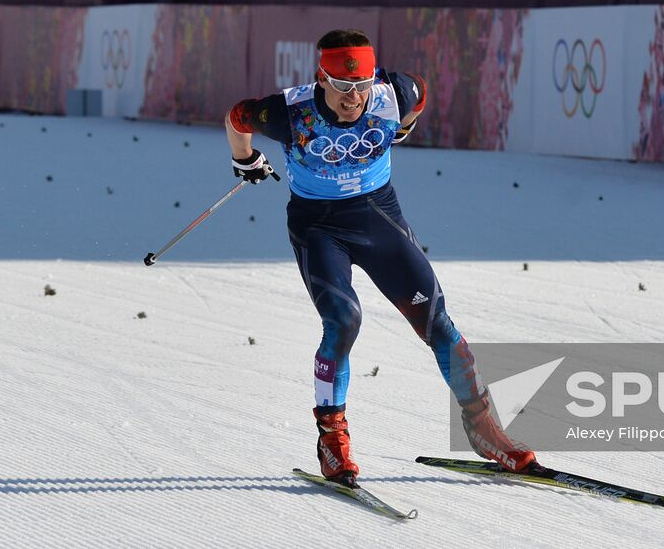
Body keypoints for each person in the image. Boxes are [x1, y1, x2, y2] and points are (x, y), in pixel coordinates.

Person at [224, 29, 539, 485]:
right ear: (322, 79)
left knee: (437, 322)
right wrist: (246, 159)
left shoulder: (394, 93)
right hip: (318, 226)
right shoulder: (288, 112)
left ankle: (485, 429)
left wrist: (403, 128)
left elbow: (420, 95)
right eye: (343, 87)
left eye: (362, 86)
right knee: (343, 321)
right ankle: (332, 440)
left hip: (377, 216)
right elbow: (237, 118)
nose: (354, 98)